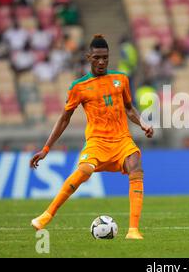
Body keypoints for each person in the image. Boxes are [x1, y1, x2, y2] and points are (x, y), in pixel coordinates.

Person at [29, 34, 154, 240]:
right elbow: (63, 119)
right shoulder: (78, 87)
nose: (102, 61)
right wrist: (46, 149)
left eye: (105, 57)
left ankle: (133, 230)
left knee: (136, 167)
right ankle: (46, 215)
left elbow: (129, 109)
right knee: (85, 170)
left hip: (122, 140)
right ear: (89, 57)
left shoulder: (120, 79)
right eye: (97, 57)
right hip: (97, 142)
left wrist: (142, 123)